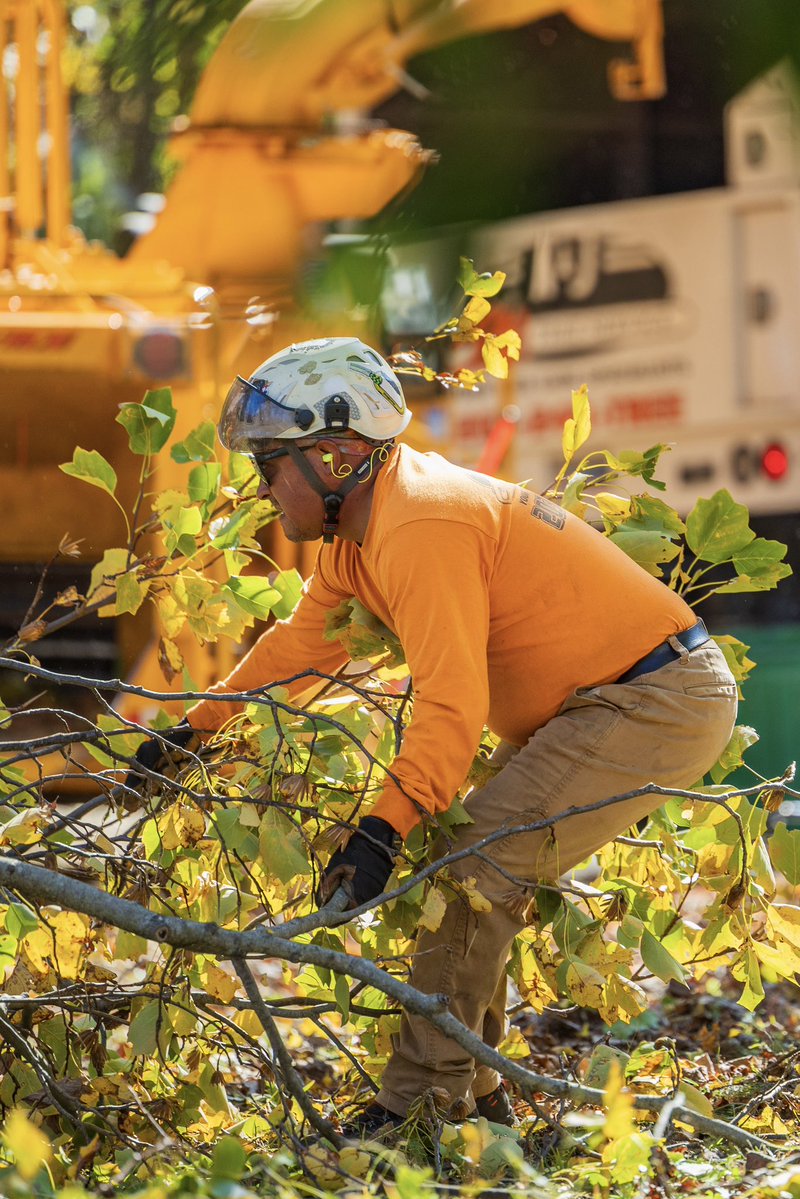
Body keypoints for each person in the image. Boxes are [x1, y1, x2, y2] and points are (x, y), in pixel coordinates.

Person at [129, 336, 738, 1134]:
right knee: (477, 871)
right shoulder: (362, 540)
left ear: (338, 457)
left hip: (656, 695)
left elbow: (451, 702)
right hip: (600, 698)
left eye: (272, 463)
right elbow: (294, 652)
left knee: (472, 865)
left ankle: (418, 1109)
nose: (262, 484)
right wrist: (193, 732)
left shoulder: (421, 523)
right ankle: (480, 1105)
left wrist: (382, 828)